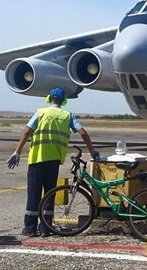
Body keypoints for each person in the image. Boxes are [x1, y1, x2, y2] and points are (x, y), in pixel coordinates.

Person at [6, 87, 100, 237]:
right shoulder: (67, 115)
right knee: (49, 194)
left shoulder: (41, 112)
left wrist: (17, 152)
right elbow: (82, 132)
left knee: (34, 194)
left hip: (37, 159)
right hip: (54, 161)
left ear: (49, 98)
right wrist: (92, 150)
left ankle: (30, 229)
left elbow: (27, 131)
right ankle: (46, 228)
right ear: (63, 101)